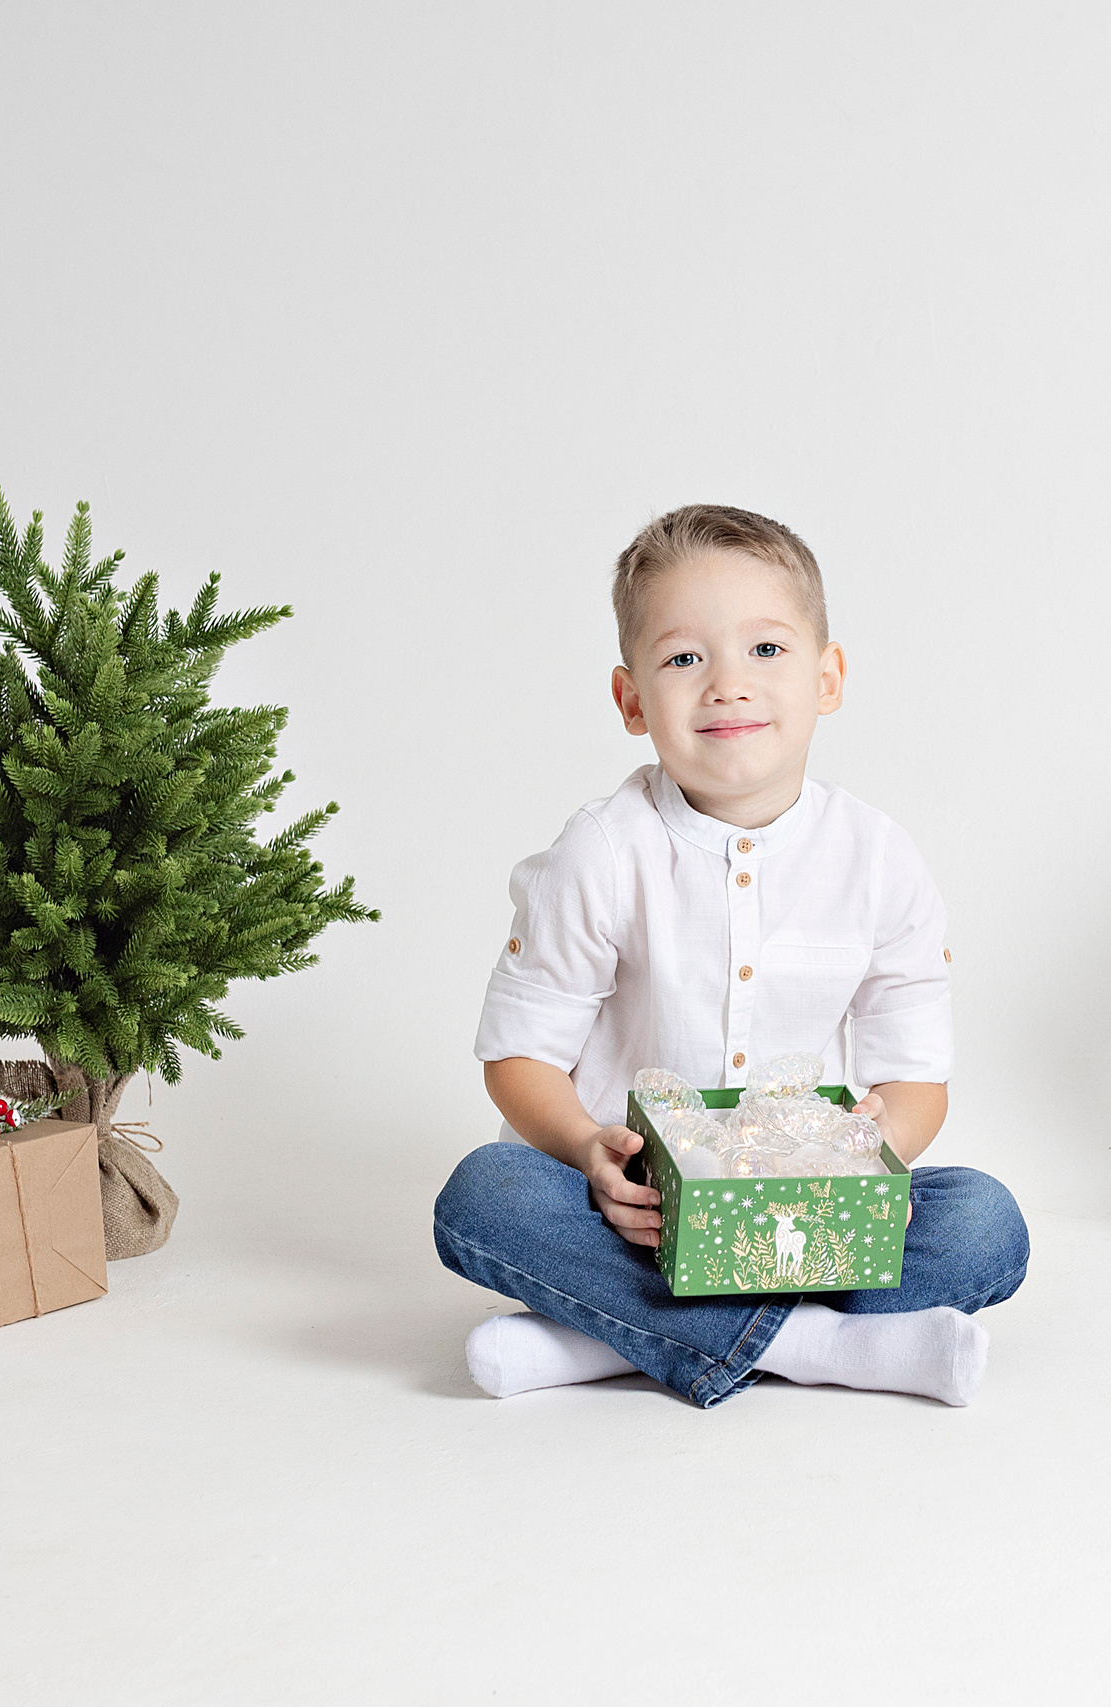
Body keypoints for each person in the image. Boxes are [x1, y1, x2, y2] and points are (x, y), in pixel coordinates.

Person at [432, 506, 1028, 1407]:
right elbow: (519, 1058)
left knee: (985, 1221)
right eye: (682, 659)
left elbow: (914, 1080)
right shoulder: (603, 850)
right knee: (485, 1193)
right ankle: (819, 1344)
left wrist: (871, 1165)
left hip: (802, 1214)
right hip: (628, 1209)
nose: (727, 686)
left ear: (827, 677)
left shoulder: (879, 857)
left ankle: (605, 1338)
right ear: (632, 699)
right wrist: (591, 1151)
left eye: (766, 650)